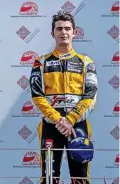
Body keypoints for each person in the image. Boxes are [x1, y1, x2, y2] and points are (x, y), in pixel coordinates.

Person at [30, 10, 98, 184]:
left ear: (74, 32)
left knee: (80, 179)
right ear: (53, 33)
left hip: (78, 126)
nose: (64, 32)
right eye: (59, 28)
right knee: (49, 178)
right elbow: (37, 96)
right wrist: (59, 120)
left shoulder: (86, 62)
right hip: (51, 127)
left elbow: (90, 95)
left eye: (67, 28)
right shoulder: (41, 62)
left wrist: (70, 119)